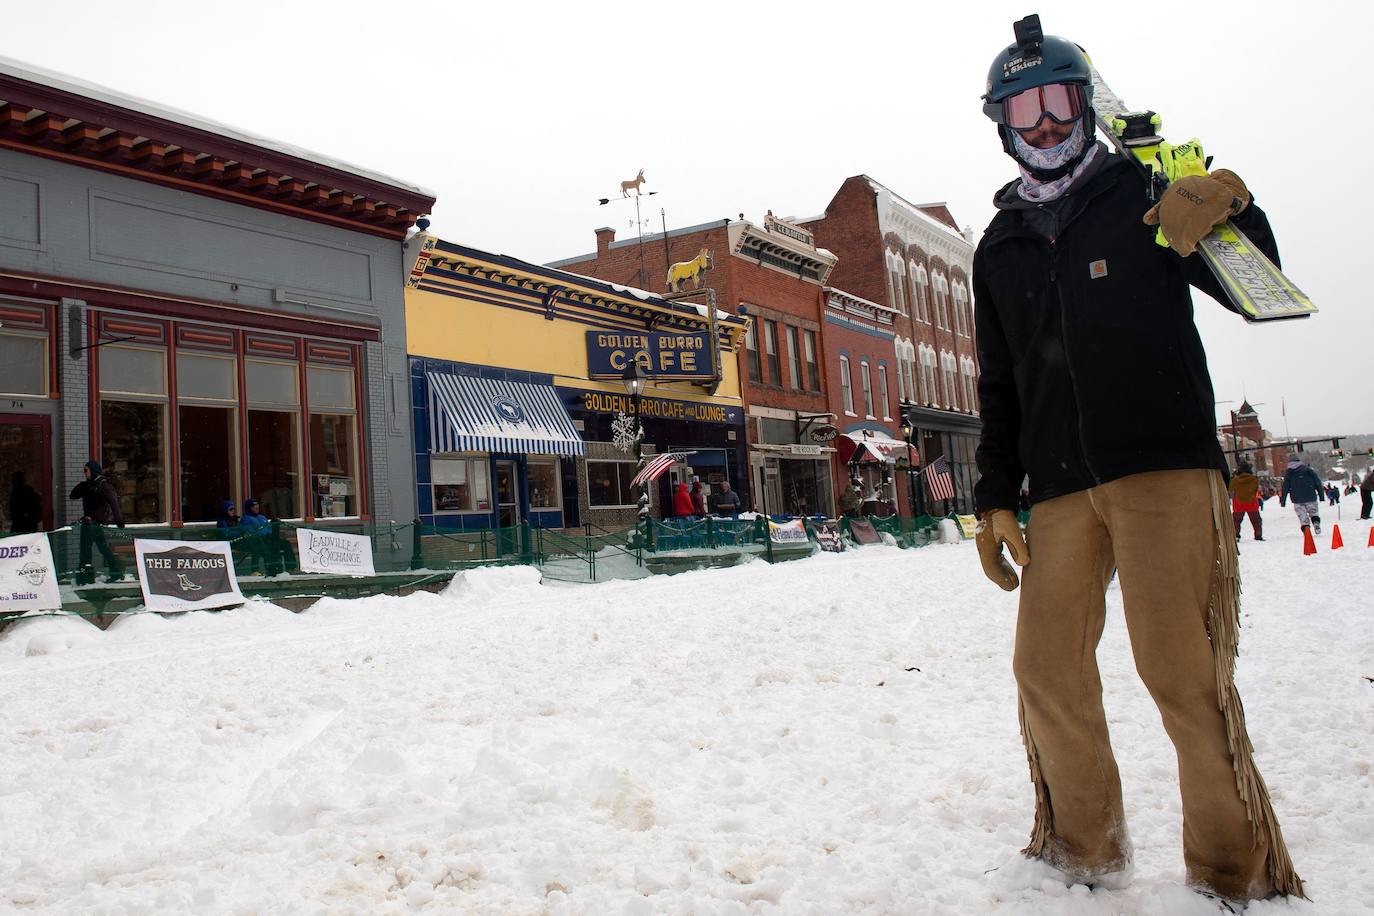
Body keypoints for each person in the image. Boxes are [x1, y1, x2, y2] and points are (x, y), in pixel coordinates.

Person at [971, 16, 1301, 904]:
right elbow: (997, 384)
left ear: (1083, 105)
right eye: (1023, 109)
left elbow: (1254, 283)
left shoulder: (1145, 195)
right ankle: (1085, 851)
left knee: (1181, 672)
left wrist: (1227, 203)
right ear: (1001, 122)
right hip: (1060, 487)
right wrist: (995, 496)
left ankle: (1234, 870)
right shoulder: (997, 245)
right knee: (1046, 668)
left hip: (1163, 467)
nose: (1045, 125)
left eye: (1059, 102)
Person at [68, 460, 124, 583]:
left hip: (95, 523)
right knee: (101, 548)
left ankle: (87, 576)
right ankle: (115, 570)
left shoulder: (103, 485)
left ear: (93, 471)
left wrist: (119, 520)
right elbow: (72, 495)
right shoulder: (88, 485)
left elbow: (113, 502)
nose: (84, 473)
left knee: (87, 550)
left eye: (86, 470)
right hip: (89, 523)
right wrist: (82, 485)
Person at [1279, 455, 1324, 536]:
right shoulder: (1309, 470)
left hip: (1297, 499)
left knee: (1302, 515)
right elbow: (1318, 483)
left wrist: (1283, 501)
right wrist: (1321, 496)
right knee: (1313, 512)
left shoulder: (1289, 473)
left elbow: (1285, 487)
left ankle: (1306, 528)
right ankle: (1316, 523)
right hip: (1311, 495)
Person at [1228, 462, 1263, 541]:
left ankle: (1236, 534)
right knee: (1256, 521)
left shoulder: (1235, 480)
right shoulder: (1254, 479)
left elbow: (1230, 489)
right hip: (1252, 502)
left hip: (1239, 503)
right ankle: (1258, 535)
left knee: (1236, 521)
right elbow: (1256, 489)